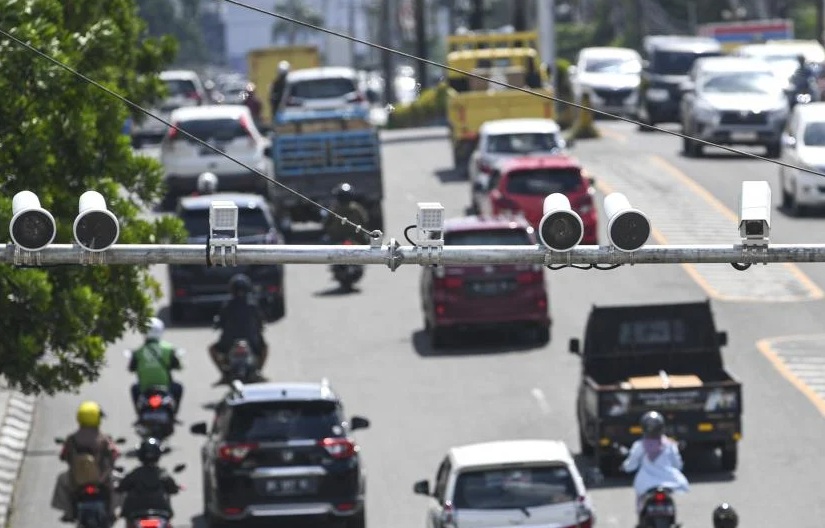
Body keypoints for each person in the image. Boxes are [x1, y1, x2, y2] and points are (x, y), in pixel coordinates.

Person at [51, 401, 120, 523]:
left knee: (61, 479)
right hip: (101, 479)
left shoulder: (72, 439)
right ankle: (111, 512)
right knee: (118, 481)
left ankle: (69, 512)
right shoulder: (104, 438)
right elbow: (115, 453)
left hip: (76, 480)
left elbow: (63, 456)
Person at [620, 411, 689, 515]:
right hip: (668, 480)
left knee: (640, 503)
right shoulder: (670, 444)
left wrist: (624, 467)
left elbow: (631, 465)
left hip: (645, 484)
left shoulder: (639, 445)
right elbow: (677, 465)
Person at [208, 274, 269, 381]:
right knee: (265, 348)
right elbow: (260, 320)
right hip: (251, 341)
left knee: (212, 349)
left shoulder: (227, 305)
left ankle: (224, 374)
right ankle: (259, 371)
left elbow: (220, 321)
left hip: (229, 342)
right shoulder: (253, 305)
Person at [128, 317, 183, 416]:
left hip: (144, 388)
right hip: (166, 388)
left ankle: (139, 415)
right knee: (178, 387)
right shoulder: (169, 349)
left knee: (134, 388)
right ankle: (173, 414)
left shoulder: (138, 351)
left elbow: (131, 368)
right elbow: (178, 366)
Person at [117, 438, 181, 522]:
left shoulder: (135, 474)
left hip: (137, 513)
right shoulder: (162, 474)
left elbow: (122, 487)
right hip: (159, 513)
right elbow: (173, 489)